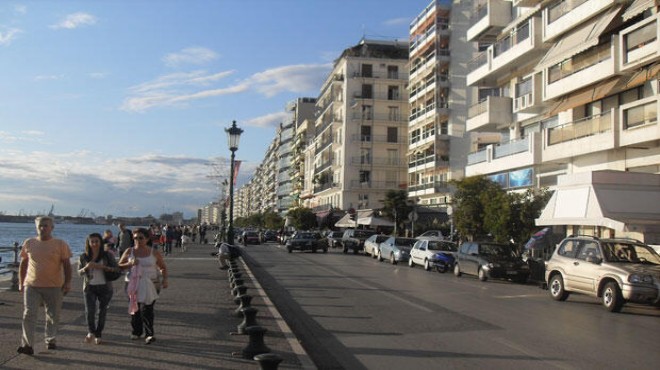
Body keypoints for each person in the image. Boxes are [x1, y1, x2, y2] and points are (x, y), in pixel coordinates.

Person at [17, 216, 73, 355]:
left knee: (53, 315)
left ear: (52, 228)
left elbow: (67, 265)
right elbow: (23, 264)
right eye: (40, 226)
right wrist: (21, 282)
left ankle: (50, 339)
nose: (43, 228)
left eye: (46, 226)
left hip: (54, 286)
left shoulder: (60, 244)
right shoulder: (29, 243)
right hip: (32, 285)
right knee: (28, 314)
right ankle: (27, 345)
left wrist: (67, 282)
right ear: (36, 227)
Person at [118, 227, 168, 344]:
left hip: (151, 283)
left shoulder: (153, 252)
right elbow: (119, 265)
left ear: (146, 239)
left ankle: (149, 334)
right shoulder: (129, 251)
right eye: (135, 238)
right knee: (135, 308)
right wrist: (129, 263)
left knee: (147, 309)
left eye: (140, 238)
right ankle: (136, 331)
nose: (137, 240)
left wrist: (165, 279)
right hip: (133, 284)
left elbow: (162, 267)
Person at [78, 233, 120, 345]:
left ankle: (98, 333)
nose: (95, 244)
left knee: (102, 311)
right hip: (89, 287)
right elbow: (79, 272)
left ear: (101, 242)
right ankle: (91, 331)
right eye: (92, 242)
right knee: (89, 311)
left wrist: (102, 267)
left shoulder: (107, 255)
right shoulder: (84, 256)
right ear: (88, 243)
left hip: (105, 287)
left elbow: (116, 269)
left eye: (97, 241)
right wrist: (86, 267)